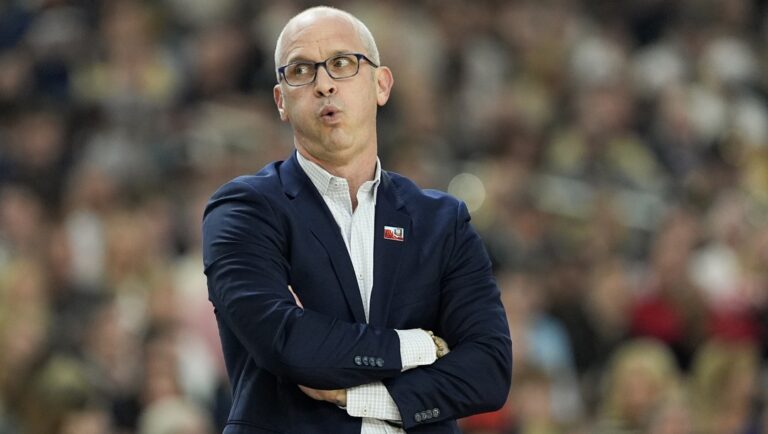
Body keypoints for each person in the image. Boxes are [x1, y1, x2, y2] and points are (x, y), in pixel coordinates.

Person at [202, 6, 512, 434]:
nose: (324, 83)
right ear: (281, 101)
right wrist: (419, 344)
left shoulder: (443, 220)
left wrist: (368, 396)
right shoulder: (244, 209)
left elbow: (489, 370)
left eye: (342, 64)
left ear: (381, 85)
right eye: (301, 70)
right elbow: (288, 343)